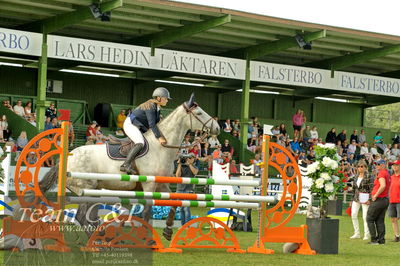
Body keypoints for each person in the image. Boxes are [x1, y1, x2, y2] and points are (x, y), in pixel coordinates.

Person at [121, 87, 170, 174]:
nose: (167, 100)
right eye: (165, 98)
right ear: (159, 98)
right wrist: (159, 137)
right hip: (131, 124)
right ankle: (125, 165)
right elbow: (152, 124)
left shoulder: (157, 108)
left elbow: (158, 124)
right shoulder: (150, 106)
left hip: (139, 126)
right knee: (140, 142)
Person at [367, 159, 390, 245]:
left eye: (379, 164)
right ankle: (381, 240)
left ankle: (374, 239)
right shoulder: (387, 174)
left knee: (369, 219)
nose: (377, 166)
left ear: (383, 165)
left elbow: (383, 185)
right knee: (380, 220)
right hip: (385, 199)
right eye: (376, 164)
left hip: (379, 199)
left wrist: (375, 195)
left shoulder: (382, 173)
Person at [349, 161, 373, 240]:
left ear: (365, 167)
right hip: (356, 198)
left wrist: (370, 199)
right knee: (353, 214)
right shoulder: (356, 176)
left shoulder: (369, 176)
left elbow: (372, 189)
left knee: (365, 216)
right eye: (359, 166)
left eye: (362, 166)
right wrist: (351, 200)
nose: (360, 168)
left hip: (365, 198)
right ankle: (357, 233)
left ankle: (366, 234)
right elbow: (354, 189)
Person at [175, 153, 198, 225]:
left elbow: (195, 172)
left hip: (188, 189)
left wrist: (189, 164)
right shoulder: (181, 165)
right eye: (188, 158)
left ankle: (187, 225)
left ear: (194, 159)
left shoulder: (194, 166)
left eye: (191, 158)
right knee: (181, 208)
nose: (189, 159)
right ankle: (183, 225)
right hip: (180, 189)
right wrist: (179, 164)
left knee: (186, 208)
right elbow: (177, 176)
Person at [388, 160, 400, 242]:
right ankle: (397, 236)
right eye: (393, 165)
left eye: (396, 165)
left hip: (399, 201)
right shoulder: (391, 177)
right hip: (392, 201)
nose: (394, 167)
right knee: (393, 219)